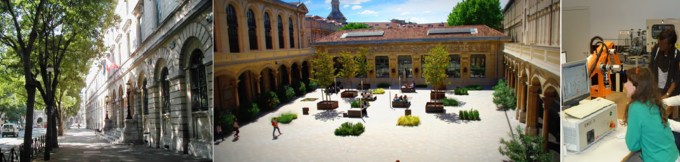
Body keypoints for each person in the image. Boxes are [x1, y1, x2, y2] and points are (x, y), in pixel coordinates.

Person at [622, 66, 679, 161]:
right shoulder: (656, 102)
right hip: (674, 156)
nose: (624, 85)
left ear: (637, 87)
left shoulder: (635, 107)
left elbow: (632, 146)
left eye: (628, 82)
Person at [649, 28, 680, 100]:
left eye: (663, 43)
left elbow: (676, 79)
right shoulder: (656, 49)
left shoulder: (676, 55)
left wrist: (666, 95)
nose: (660, 44)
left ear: (670, 45)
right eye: (660, 41)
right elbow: (650, 69)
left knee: (668, 110)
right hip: (656, 90)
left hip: (670, 92)